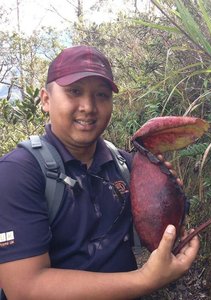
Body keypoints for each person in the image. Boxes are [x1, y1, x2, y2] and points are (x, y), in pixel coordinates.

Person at [0, 45, 199, 299]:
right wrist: (145, 280)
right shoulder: (18, 173)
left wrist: (171, 199)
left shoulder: (125, 165)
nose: (89, 106)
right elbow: (25, 288)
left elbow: (157, 226)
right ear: (46, 100)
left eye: (102, 95)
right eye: (74, 92)